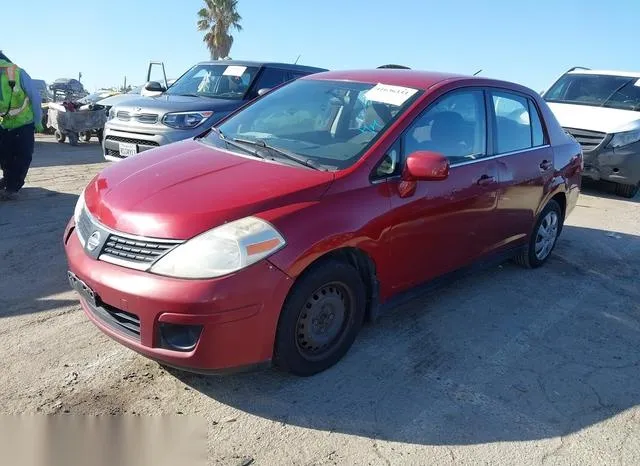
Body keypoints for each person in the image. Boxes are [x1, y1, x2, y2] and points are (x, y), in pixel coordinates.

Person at [0, 50, 43, 201]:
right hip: (8, 124)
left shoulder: (17, 73)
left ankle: (11, 187)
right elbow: (35, 97)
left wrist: (38, 120)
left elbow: (35, 97)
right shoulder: (17, 72)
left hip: (23, 122)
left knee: (17, 156)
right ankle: (8, 183)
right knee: (10, 156)